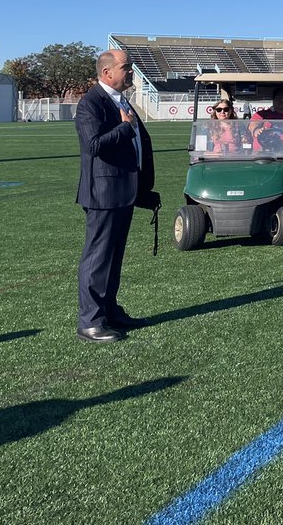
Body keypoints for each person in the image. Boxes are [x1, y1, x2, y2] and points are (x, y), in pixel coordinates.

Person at [74, 49, 157, 343]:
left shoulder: (121, 100)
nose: (131, 71)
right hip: (103, 194)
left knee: (113, 258)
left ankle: (109, 311)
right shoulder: (91, 103)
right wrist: (124, 128)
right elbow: (93, 146)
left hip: (123, 192)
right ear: (107, 72)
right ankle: (91, 322)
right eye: (126, 67)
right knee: (97, 259)